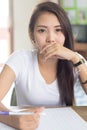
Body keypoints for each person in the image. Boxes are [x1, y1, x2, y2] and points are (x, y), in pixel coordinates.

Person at [0, 1, 87, 130]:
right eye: (42, 30)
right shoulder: (20, 59)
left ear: (66, 33)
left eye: (58, 30)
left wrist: (75, 58)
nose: (51, 39)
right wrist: (11, 119)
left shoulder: (76, 60)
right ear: (32, 35)